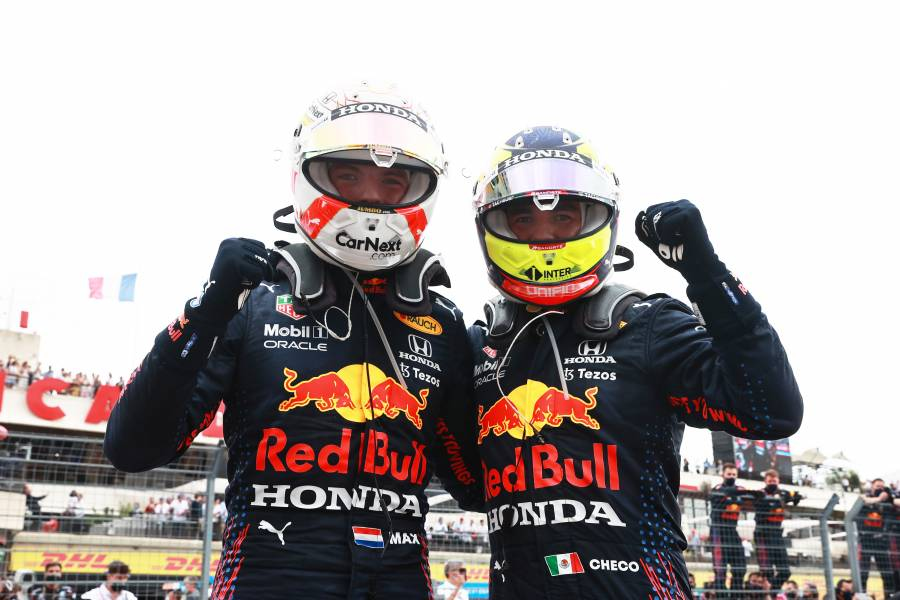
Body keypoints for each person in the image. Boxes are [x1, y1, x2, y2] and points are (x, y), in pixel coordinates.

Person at [104, 82, 482, 598]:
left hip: (398, 582)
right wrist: (203, 313)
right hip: (268, 579)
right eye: (349, 175)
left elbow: (475, 486)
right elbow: (132, 448)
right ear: (307, 176)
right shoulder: (251, 302)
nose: (371, 196)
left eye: (393, 181)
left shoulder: (444, 322)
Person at [467, 126, 802, 598]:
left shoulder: (647, 323)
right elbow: (466, 482)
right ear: (492, 225)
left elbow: (771, 411)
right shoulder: (481, 342)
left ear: (600, 219)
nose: (544, 234)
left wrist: (706, 274)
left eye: (563, 217)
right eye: (523, 219)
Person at [753, 470, 802, 589]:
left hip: (777, 534)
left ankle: (772, 592)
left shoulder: (783, 493)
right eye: (770, 481)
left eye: (774, 481)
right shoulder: (760, 493)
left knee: (785, 571)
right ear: (765, 481)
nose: (772, 483)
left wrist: (796, 497)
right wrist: (776, 500)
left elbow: (794, 496)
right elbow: (760, 503)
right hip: (763, 534)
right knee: (767, 572)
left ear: (778, 481)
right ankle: (767, 593)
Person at [709, 464, 753, 593]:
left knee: (740, 568)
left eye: (734, 474)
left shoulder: (740, 489)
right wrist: (733, 495)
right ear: (723, 474)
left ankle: (736, 595)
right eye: (729, 474)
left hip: (732, 531)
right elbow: (717, 497)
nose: (731, 477)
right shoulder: (717, 489)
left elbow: (752, 495)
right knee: (720, 569)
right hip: (718, 531)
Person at [858, 478, 897, 595]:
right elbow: (863, 500)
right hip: (866, 541)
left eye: (882, 487)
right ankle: (861, 595)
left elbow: (895, 503)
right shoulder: (865, 497)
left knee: (887, 573)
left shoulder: (888, 501)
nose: (880, 489)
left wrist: (888, 498)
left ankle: (889, 596)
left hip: (881, 542)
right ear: (872, 487)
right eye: (877, 486)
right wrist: (879, 499)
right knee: (863, 572)